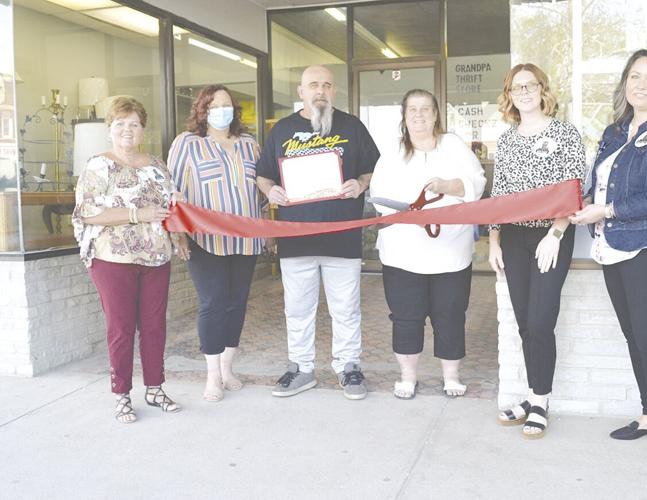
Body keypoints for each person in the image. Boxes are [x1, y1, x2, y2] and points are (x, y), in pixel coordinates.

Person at [570, 49, 647, 465]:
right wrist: (579, 203)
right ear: (625, 83)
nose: (641, 84)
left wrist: (605, 211)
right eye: (635, 76)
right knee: (634, 337)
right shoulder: (614, 132)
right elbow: (600, 185)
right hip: (613, 247)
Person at [257, 65, 380, 400]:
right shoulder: (283, 129)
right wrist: (270, 192)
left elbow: (373, 169)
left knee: (346, 308)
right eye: (313, 85)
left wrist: (360, 183)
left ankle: (349, 367)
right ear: (301, 91)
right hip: (296, 238)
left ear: (334, 91)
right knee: (297, 308)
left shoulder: (352, 126)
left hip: (342, 237)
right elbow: (264, 174)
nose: (320, 91)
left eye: (327, 85)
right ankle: (301, 368)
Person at [73, 97, 187, 423]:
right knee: (121, 328)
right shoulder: (98, 166)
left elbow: (169, 206)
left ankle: (155, 388)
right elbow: (88, 213)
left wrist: (178, 237)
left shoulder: (156, 164)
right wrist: (139, 213)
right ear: (110, 129)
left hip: (155, 258)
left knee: (154, 327)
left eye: (133, 124)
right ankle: (121, 394)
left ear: (142, 130)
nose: (127, 130)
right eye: (120, 124)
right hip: (112, 258)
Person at [488, 63, 586, 438]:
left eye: (530, 85)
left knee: (542, 320)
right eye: (516, 88)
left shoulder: (565, 133)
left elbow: (575, 189)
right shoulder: (508, 139)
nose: (524, 92)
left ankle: (541, 401)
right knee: (525, 322)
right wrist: (494, 240)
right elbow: (499, 195)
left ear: (542, 89)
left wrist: (556, 234)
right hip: (513, 236)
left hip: (551, 235)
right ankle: (533, 395)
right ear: (509, 95)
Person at [370, 89, 485, 399]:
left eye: (425, 109)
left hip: (451, 251)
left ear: (436, 114)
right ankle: (407, 377)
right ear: (404, 118)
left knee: (450, 313)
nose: (419, 115)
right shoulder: (393, 152)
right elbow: (379, 195)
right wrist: (407, 212)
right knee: (406, 315)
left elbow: (477, 181)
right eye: (412, 110)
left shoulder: (453, 146)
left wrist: (447, 185)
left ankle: (451, 377)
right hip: (402, 252)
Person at [168, 85, 263, 403]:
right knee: (213, 303)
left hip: (246, 239)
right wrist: (177, 233)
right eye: (214, 105)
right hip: (205, 240)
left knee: (237, 303)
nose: (221, 111)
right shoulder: (188, 144)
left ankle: (227, 369)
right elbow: (173, 191)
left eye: (227, 105)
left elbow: (261, 192)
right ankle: (211, 377)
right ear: (202, 110)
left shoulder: (250, 145)